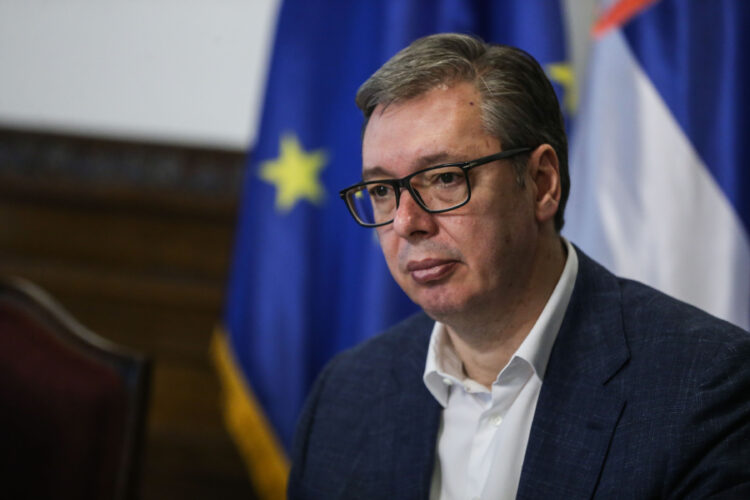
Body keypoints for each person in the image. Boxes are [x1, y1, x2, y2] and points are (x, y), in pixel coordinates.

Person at [287, 33, 750, 499]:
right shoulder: (345, 395)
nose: (406, 223)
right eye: (382, 191)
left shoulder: (705, 387)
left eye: (444, 179)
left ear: (541, 183)